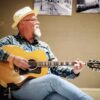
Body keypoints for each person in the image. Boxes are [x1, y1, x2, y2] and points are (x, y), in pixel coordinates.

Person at [0, 6, 93, 100]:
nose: (38, 22)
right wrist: (13, 59)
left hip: (42, 88)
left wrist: (74, 71)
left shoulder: (44, 46)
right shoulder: (10, 40)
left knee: (60, 98)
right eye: (34, 20)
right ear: (21, 24)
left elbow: (55, 68)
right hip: (19, 88)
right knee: (52, 79)